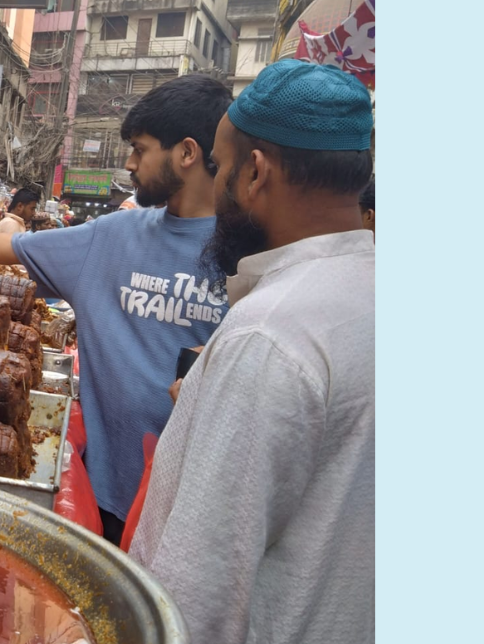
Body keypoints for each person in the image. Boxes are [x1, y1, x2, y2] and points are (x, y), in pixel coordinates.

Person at [0, 75, 234, 543]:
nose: (129, 163)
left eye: (140, 148)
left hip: (193, 511)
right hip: (107, 494)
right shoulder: (111, 236)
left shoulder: (242, 254)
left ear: (187, 153)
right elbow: (15, 248)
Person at [129, 60, 374, 644]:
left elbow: (196, 601)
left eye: (220, 166)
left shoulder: (270, 336)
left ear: (255, 172)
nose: (215, 185)